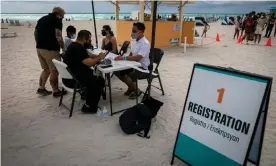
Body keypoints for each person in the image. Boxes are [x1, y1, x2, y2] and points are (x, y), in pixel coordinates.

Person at [63, 30, 105, 113]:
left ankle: (87, 96)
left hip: (69, 77)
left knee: (96, 78)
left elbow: (87, 55)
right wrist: (99, 57)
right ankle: (89, 107)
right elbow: (89, 63)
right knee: (99, 81)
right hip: (74, 80)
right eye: (89, 40)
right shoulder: (78, 48)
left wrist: (96, 56)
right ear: (83, 39)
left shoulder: (74, 45)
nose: (90, 42)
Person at [35, 7, 66, 97]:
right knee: (54, 70)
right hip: (51, 49)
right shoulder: (57, 20)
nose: (63, 17)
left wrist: (39, 43)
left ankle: (41, 88)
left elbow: (36, 33)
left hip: (39, 48)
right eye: (63, 15)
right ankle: (56, 91)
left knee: (46, 69)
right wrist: (63, 47)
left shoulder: (42, 19)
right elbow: (58, 35)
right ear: (59, 14)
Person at [114, 22, 150, 99]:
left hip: (142, 67)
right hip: (133, 64)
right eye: (132, 30)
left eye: (134, 31)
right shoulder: (134, 40)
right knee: (117, 71)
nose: (132, 33)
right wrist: (124, 60)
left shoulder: (145, 43)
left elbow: (138, 57)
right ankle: (131, 87)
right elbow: (131, 53)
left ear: (140, 32)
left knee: (131, 73)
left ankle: (137, 90)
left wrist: (124, 58)